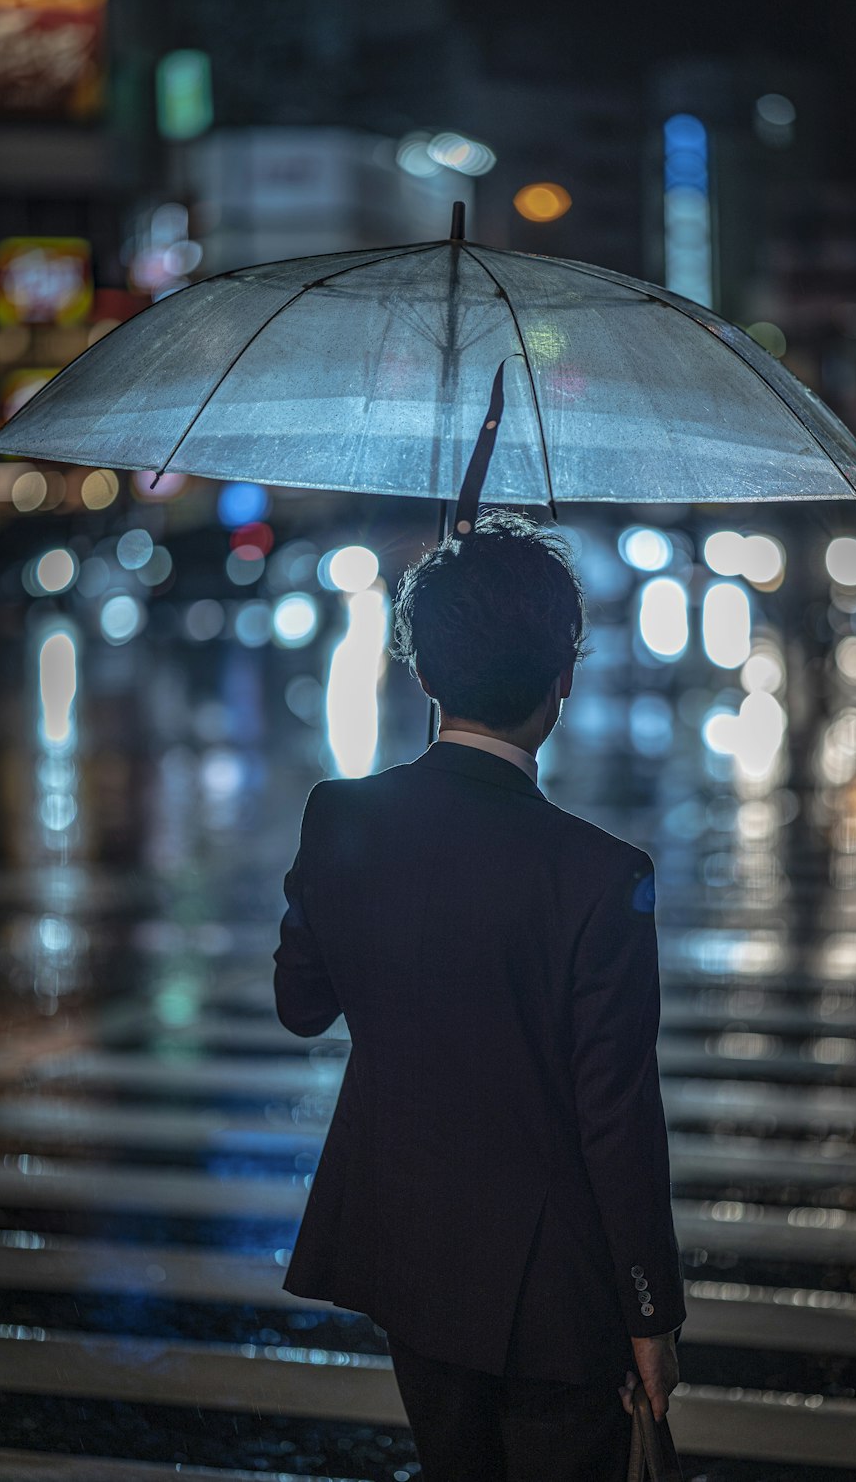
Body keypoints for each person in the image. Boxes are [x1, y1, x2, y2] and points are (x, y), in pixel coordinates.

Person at [273, 508, 685, 1482]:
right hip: (555, 1295)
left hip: (408, 1264)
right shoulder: (597, 876)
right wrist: (650, 1314)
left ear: (423, 674)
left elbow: (302, 1003)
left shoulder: (340, 819)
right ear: (563, 679)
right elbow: (617, 1120)